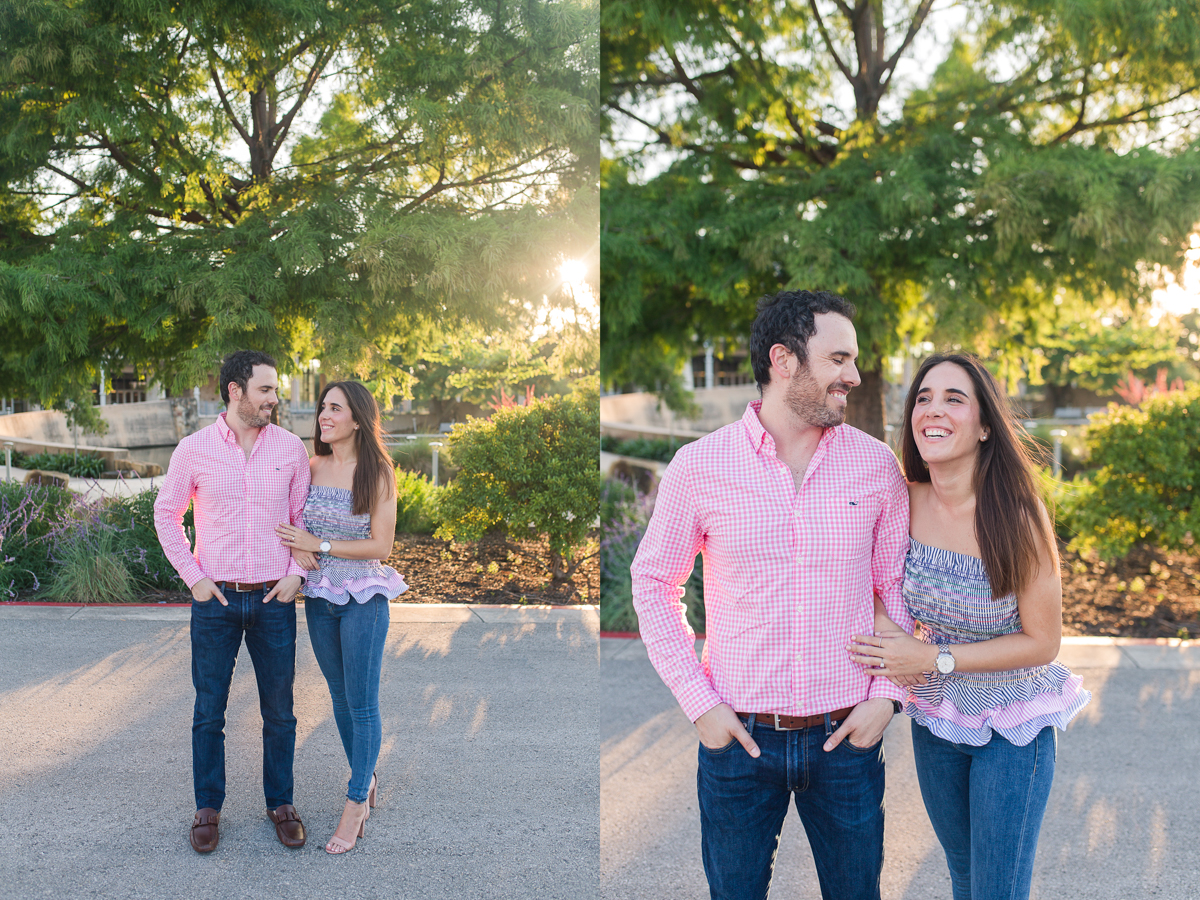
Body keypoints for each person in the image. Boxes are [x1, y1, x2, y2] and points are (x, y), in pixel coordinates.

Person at [631, 289, 914, 900]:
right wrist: (699, 704)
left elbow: (896, 591)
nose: (854, 375)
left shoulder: (877, 467)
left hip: (848, 739)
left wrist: (887, 699)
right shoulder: (699, 467)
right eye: (838, 359)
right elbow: (653, 583)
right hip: (740, 742)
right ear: (784, 361)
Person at [847, 353, 1091, 900]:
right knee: (964, 878)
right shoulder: (903, 500)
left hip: (1013, 729)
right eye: (924, 398)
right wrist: (891, 637)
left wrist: (933, 658)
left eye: (954, 398)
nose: (933, 409)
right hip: (937, 717)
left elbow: (1043, 642)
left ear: (985, 427)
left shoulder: (1018, 516)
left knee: (996, 891)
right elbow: (867, 579)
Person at [154, 350, 312, 853]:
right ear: (235, 391)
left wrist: (295, 577)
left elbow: (302, 517)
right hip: (216, 601)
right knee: (209, 711)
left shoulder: (290, 449)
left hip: (273, 600)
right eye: (265, 389)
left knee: (280, 711)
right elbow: (166, 513)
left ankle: (281, 804)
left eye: (275, 390)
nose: (275, 398)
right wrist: (194, 577)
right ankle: (207, 808)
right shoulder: (194, 449)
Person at [274, 380, 405, 854]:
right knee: (339, 696)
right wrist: (299, 548)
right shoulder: (311, 466)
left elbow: (381, 546)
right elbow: (293, 520)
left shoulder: (379, 474)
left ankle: (356, 803)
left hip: (364, 597)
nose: (324, 416)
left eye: (335, 408)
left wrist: (319, 546)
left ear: (357, 418)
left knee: (363, 702)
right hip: (319, 597)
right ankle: (364, 776)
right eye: (322, 408)